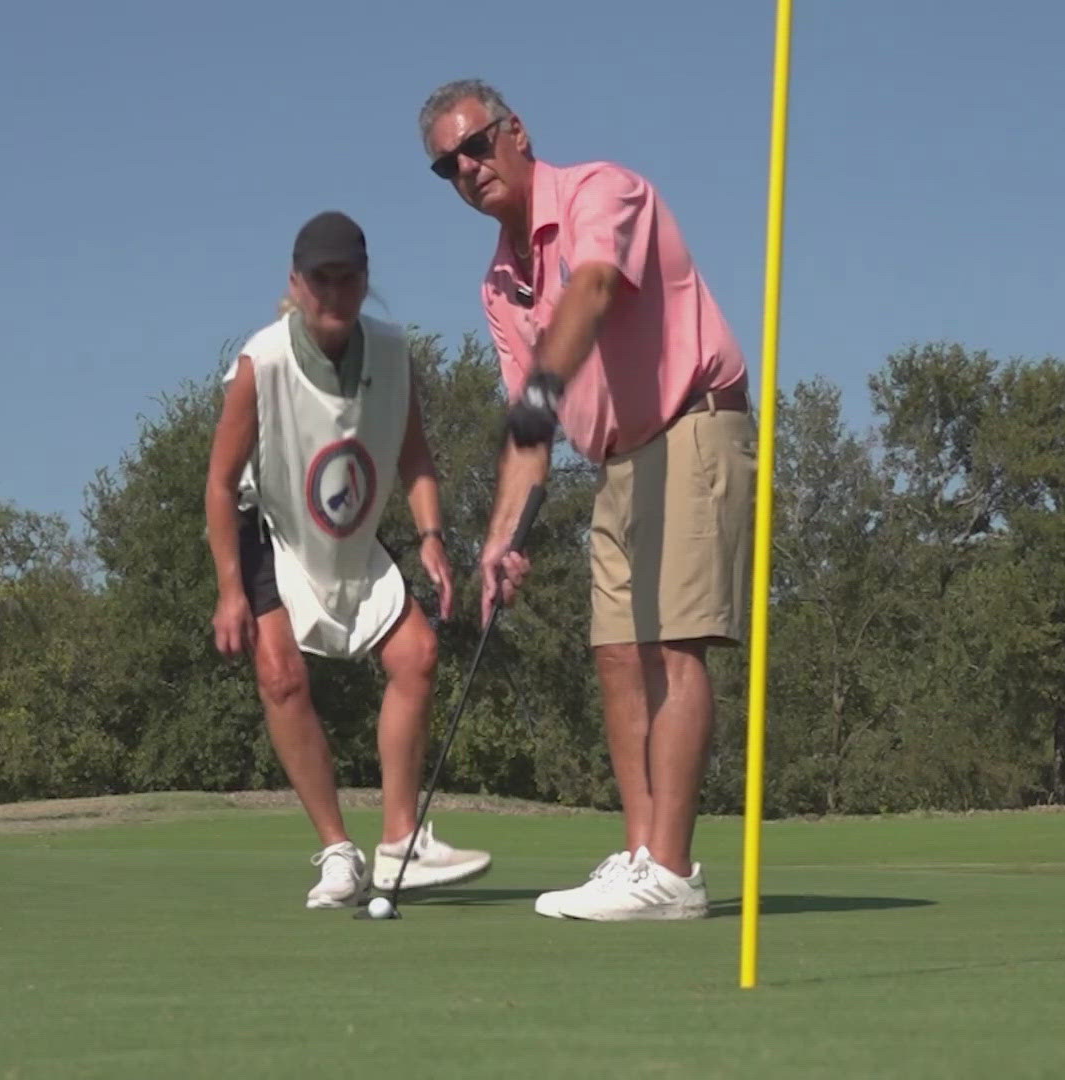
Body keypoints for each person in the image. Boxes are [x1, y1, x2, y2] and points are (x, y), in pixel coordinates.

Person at [415, 81, 757, 921]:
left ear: (516, 132)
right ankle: (641, 855)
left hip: (694, 425)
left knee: (675, 645)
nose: (468, 168)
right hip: (617, 461)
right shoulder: (500, 285)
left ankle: (673, 871)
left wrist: (541, 388)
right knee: (615, 653)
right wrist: (500, 540)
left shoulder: (605, 191)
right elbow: (529, 436)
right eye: (446, 166)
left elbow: (596, 291)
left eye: (476, 146)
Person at [203, 209, 492, 909]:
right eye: (320, 280)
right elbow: (218, 481)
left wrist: (430, 536)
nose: (334, 293)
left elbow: (415, 454)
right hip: (270, 528)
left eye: (348, 279)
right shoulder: (260, 362)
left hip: (349, 531)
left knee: (417, 655)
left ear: (366, 283)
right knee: (281, 678)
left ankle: (401, 841)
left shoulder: (392, 352)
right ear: (297, 285)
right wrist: (229, 590)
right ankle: (338, 852)